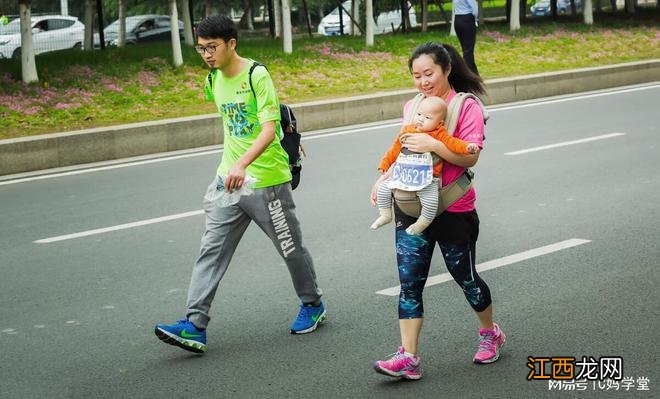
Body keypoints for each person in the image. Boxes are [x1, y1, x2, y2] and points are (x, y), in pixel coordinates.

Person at [154, 15, 325, 354]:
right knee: (211, 249)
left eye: (212, 47)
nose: (206, 54)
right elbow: (233, 128)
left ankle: (312, 304)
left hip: (267, 182)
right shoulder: (213, 79)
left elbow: (266, 128)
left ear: (231, 44)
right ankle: (195, 324)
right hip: (228, 183)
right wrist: (232, 167)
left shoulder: (256, 74)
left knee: (290, 248)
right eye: (201, 48)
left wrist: (244, 162)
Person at [371, 42, 505, 380]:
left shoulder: (466, 106)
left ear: (446, 69)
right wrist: (382, 180)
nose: (422, 81)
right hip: (410, 206)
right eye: (416, 75)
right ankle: (408, 357)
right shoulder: (413, 106)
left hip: (453, 207)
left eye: (428, 73)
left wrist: (435, 145)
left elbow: (469, 157)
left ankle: (490, 333)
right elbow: (402, 150)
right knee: (410, 284)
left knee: (466, 278)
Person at [370, 96, 478, 235]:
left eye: (427, 117)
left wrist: (467, 147)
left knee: (431, 202)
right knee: (384, 188)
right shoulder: (408, 130)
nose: (420, 119)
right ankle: (385, 215)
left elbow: (454, 144)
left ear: (439, 123)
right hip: (403, 174)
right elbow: (394, 150)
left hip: (427, 179)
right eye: (419, 114)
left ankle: (422, 223)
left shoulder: (439, 134)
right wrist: (384, 165)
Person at [453, 0, 480, 75]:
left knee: (466, 50)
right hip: (467, 19)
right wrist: (475, 19)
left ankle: (475, 75)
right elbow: (474, 9)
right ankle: (467, 75)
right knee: (468, 51)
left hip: (457, 18)